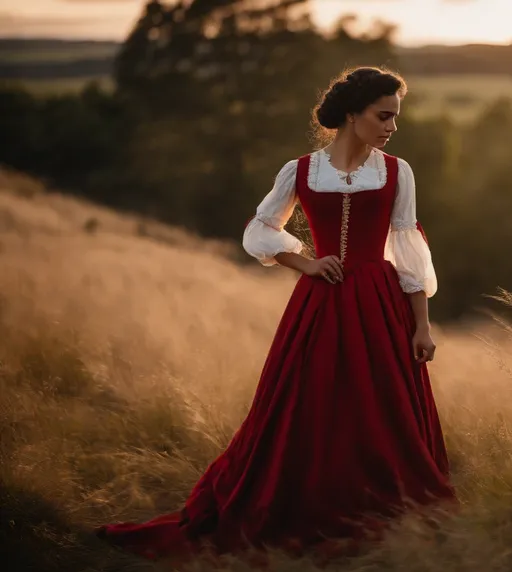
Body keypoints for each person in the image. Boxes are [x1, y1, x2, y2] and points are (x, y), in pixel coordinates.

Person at [95, 66, 454, 562]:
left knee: (380, 408)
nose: (393, 126)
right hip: (320, 302)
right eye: (384, 115)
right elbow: (261, 229)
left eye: (395, 117)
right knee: (304, 404)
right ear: (353, 115)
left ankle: (380, 505)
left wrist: (422, 326)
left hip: (379, 304)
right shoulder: (301, 171)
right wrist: (306, 262)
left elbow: (409, 249)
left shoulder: (397, 172)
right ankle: (304, 500)